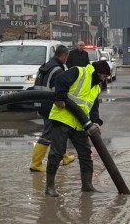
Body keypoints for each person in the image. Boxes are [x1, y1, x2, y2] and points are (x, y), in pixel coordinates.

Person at [43, 60, 111, 197]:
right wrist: (60, 98)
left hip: (80, 123)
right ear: (98, 73)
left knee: (86, 153)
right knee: (57, 153)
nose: (104, 80)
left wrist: (95, 122)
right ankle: (49, 187)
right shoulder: (79, 72)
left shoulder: (96, 87)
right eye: (104, 76)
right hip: (63, 118)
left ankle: (87, 185)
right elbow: (60, 79)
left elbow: (93, 107)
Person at [29, 46, 77, 172]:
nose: (67, 59)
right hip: (51, 105)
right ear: (64, 55)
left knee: (58, 131)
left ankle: (64, 157)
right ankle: (36, 163)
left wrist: (38, 105)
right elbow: (58, 91)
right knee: (48, 133)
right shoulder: (58, 70)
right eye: (67, 57)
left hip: (42, 103)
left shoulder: (46, 66)